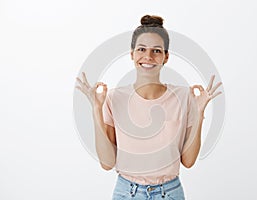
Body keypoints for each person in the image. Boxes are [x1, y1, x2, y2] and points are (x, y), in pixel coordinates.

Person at [76, 15, 222, 200]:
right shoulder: (113, 98)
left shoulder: (184, 97)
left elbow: (188, 161)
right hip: (126, 193)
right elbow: (107, 163)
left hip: (169, 193)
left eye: (156, 51)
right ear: (132, 54)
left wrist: (199, 113)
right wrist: (96, 110)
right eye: (142, 49)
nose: (148, 57)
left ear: (166, 57)